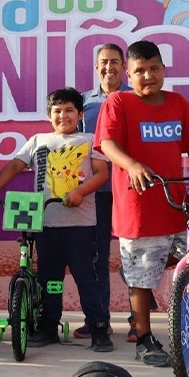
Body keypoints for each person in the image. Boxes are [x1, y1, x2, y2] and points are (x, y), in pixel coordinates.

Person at [95, 40, 189, 367]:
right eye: (140, 71)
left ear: (164, 69)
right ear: (128, 74)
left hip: (176, 204)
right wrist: (132, 166)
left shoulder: (178, 103)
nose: (148, 76)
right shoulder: (118, 102)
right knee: (143, 276)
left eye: (154, 69)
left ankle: (141, 274)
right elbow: (107, 143)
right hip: (138, 207)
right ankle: (144, 338)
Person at [0, 88, 112, 352]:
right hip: (46, 224)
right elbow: (15, 166)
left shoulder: (90, 140)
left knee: (86, 277)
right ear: (49, 115)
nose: (63, 116)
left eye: (69, 110)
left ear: (80, 114)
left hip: (81, 226)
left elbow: (101, 174)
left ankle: (98, 328)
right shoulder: (38, 140)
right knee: (49, 279)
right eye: (57, 111)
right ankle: (49, 325)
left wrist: (80, 191)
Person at [75, 43, 139, 343]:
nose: (108, 67)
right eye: (103, 62)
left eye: (115, 61)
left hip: (130, 189)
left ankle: (139, 321)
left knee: (134, 256)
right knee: (97, 257)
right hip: (97, 191)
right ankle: (99, 319)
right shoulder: (83, 102)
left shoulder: (135, 98)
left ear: (124, 67)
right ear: (96, 66)